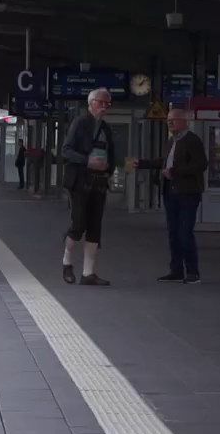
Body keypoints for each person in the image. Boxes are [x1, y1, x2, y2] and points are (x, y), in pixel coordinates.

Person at [126, 108, 208, 284]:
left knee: (185, 232)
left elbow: (201, 164)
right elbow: (162, 162)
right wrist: (141, 163)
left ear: (184, 121)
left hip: (188, 193)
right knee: (173, 232)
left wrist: (175, 172)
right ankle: (176, 270)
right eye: (168, 120)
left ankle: (193, 272)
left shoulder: (193, 140)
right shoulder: (170, 141)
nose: (170, 123)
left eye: (174, 120)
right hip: (170, 192)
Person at [60, 87, 117, 286]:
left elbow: (112, 154)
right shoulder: (80, 123)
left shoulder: (107, 128)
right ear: (91, 103)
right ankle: (67, 262)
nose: (105, 106)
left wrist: (109, 169)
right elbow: (66, 151)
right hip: (80, 181)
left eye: (108, 103)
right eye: (101, 102)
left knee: (95, 226)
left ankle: (88, 273)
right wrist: (87, 161)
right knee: (78, 224)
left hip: (99, 182)